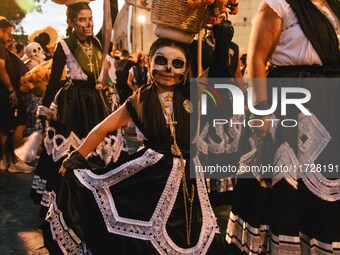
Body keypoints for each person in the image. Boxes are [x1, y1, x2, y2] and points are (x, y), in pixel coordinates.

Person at [39, 36, 229, 254]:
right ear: (148, 63)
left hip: (190, 177)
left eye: (177, 63)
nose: (168, 69)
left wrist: (220, 36)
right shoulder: (139, 101)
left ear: (186, 70)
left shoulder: (193, 92)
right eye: (161, 61)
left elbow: (218, 73)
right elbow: (103, 128)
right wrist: (77, 156)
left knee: (193, 232)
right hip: (152, 176)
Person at [225, 0, 340, 254]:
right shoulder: (279, 5)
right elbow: (256, 58)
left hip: (328, 101)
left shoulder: (331, 7)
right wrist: (262, 110)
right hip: (290, 102)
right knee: (287, 188)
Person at [29, 2, 128, 216]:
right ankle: (66, 200)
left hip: (97, 101)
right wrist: (44, 109)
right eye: (81, 20)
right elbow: (54, 81)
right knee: (69, 149)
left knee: (102, 147)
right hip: (73, 103)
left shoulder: (100, 41)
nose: (87, 24)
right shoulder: (65, 45)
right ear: (71, 22)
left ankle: (99, 197)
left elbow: (110, 13)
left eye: (90, 19)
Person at [0, 17, 32, 173]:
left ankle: (4, 160)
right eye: (8, 33)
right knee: (21, 122)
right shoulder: (0, 47)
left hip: (5, 92)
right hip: (7, 93)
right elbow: (1, 68)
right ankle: (15, 161)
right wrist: (11, 90)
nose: (9, 37)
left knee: (5, 126)